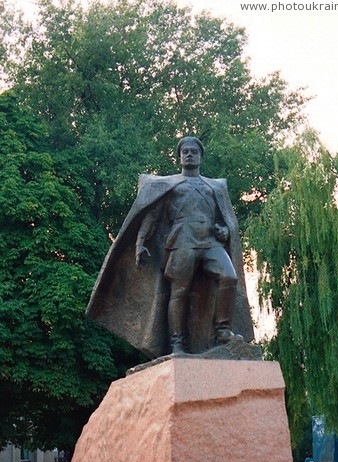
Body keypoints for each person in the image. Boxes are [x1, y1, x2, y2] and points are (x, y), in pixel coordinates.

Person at [86, 136, 253, 358]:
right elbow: (152, 216)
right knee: (179, 292)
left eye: (194, 151)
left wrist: (226, 230)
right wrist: (140, 243)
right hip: (181, 243)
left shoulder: (215, 186)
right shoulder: (171, 186)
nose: (189, 154)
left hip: (210, 242)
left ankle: (223, 330)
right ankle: (176, 344)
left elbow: (226, 220)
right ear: (180, 157)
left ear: (201, 156)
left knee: (229, 278)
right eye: (185, 152)